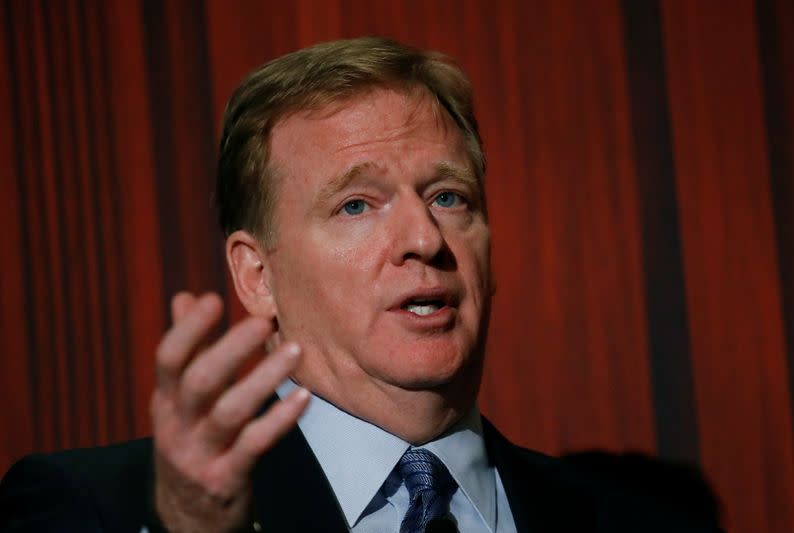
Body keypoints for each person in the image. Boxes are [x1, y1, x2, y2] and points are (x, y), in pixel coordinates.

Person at [0, 37, 723, 533]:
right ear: (258, 275)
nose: (424, 239)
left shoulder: (641, 521)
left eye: (449, 197)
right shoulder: (99, 508)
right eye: (356, 204)